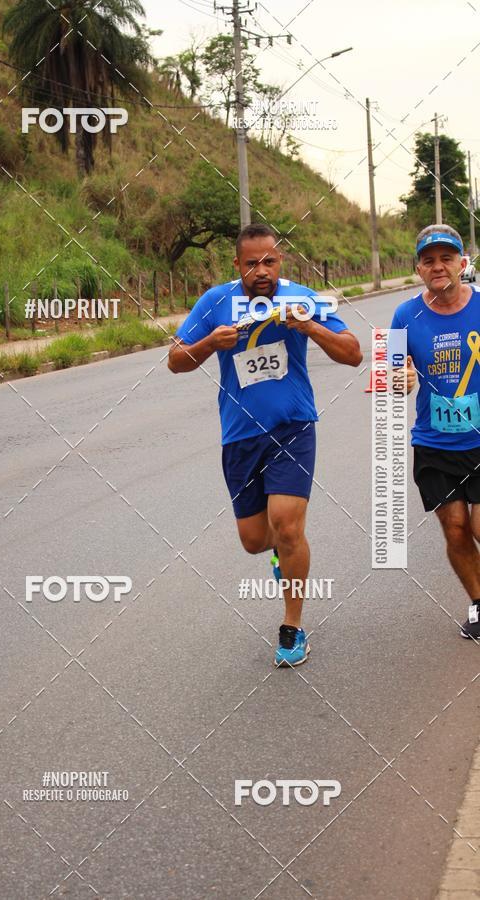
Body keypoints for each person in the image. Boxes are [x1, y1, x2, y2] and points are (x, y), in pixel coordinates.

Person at [168, 223, 362, 666]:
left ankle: (292, 628)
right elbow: (175, 360)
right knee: (256, 540)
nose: (262, 270)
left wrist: (309, 325)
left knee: (288, 525)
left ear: (281, 262)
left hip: (292, 426)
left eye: (269, 261)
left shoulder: (303, 297)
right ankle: (281, 556)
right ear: (236, 265)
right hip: (239, 436)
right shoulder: (215, 302)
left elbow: (352, 353)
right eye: (252, 263)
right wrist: (207, 343)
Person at [390, 224, 480, 638]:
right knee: (456, 526)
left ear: (462, 263)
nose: (438, 266)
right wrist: (399, 379)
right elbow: (389, 370)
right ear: (418, 269)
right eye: (429, 260)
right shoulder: (405, 315)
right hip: (433, 442)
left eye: (446, 258)